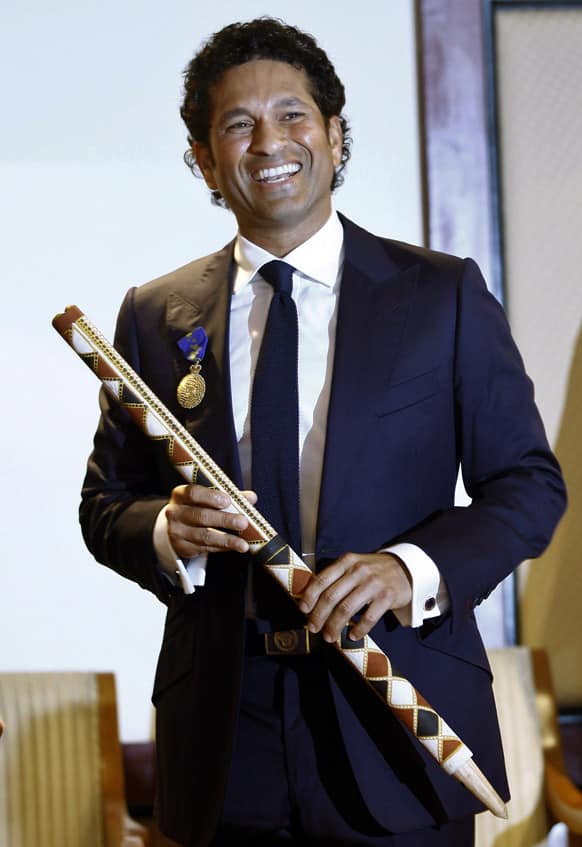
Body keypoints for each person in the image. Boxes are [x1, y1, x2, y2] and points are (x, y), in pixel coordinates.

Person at [80, 17, 566, 847]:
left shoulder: (442, 294)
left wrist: (410, 569)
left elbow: (527, 485)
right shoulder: (154, 315)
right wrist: (167, 530)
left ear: (335, 136)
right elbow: (106, 505)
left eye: (293, 114)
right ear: (204, 158)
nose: (268, 140)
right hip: (225, 741)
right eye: (237, 123)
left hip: (402, 724)